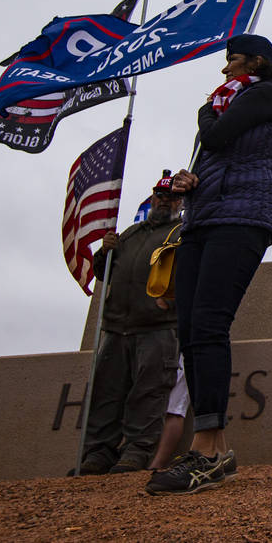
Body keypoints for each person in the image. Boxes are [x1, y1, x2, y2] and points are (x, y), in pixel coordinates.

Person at [147, 34, 272, 495]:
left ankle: (207, 449)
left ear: (256, 60)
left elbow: (215, 135)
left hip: (243, 218)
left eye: (231, 59)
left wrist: (204, 112)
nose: (223, 69)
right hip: (203, 219)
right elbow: (216, 152)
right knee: (189, 329)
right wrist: (191, 181)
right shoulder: (229, 101)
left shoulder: (266, 95)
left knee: (209, 324)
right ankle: (216, 450)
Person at [72, 173, 183, 475]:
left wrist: (170, 303)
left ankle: (136, 450)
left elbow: (194, 277)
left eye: (171, 196)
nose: (164, 200)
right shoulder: (130, 234)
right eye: (159, 195)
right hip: (117, 325)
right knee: (106, 392)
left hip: (158, 326)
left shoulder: (182, 234)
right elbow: (102, 272)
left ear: (180, 201)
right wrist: (105, 251)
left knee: (149, 392)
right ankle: (98, 453)